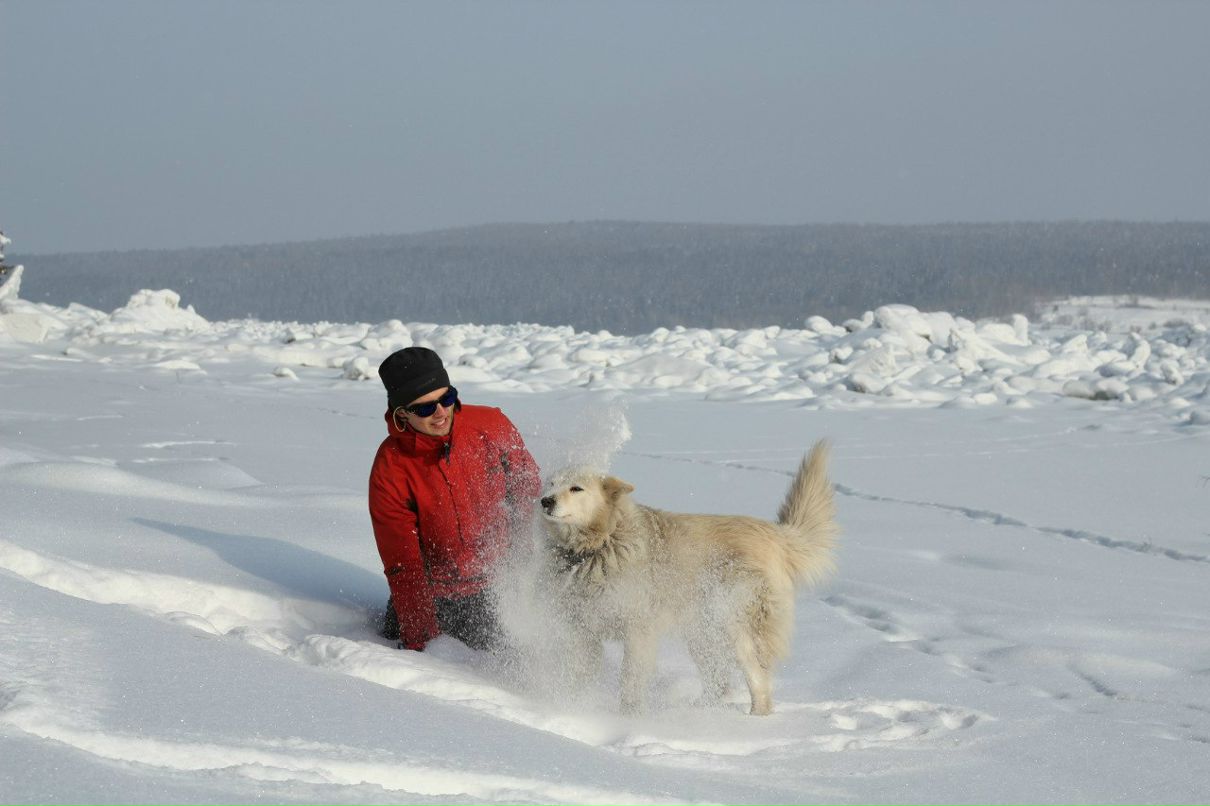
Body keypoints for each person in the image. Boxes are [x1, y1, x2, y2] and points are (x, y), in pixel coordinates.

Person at [369, 346, 540, 651]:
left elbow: (529, 495)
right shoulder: (390, 468)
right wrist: (422, 640)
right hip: (435, 600)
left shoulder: (491, 424)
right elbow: (402, 562)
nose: (440, 412)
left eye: (447, 398)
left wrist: (525, 572)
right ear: (402, 413)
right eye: (424, 408)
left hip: (499, 588)